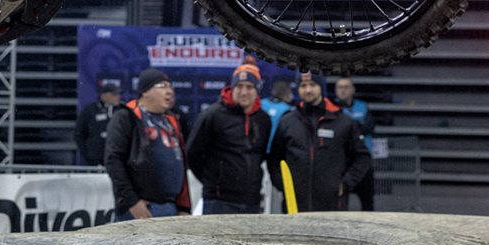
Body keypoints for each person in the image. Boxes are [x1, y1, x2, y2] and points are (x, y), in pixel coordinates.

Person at [267, 73, 370, 213]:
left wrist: (345, 184)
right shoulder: (287, 122)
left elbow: (362, 157)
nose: (308, 90)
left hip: (332, 206)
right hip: (294, 206)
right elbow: (274, 159)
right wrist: (283, 185)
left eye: (312, 85)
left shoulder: (343, 122)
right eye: (303, 85)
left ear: (321, 87)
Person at [186, 58, 269, 215]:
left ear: (257, 89)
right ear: (232, 87)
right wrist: (213, 181)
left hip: (251, 201)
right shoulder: (212, 115)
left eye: (249, 87)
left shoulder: (263, 119)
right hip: (219, 201)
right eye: (239, 86)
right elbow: (192, 153)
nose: (244, 92)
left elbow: (260, 155)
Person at [104, 68, 188, 221]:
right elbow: (113, 160)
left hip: (171, 206)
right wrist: (131, 201)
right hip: (143, 207)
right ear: (145, 91)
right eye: (162, 86)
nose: (169, 91)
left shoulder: (171, 120)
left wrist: (183, 207)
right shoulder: (127, 116)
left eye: (170, 87)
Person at [331, 76, 377, 211]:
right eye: (340, 87)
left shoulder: (362, 106)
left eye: (346, 87)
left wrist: (349, 128)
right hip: (341, 160)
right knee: (341, 199)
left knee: (367, 200)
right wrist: (356, 124)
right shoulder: (332, 108)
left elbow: (369, 127)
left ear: (353, 90)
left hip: (362, 159)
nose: (343, 90)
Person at [73, 78, 121, 166]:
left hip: (117, 159)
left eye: (118, 94)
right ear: (104, 96)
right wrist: (88, 155)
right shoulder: (90, 110)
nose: (117, 97)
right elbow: (79, 133)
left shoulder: (121, 110)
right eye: (114, 94)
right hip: (96, 159)